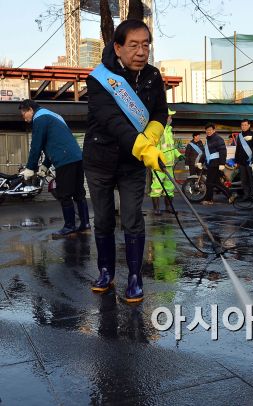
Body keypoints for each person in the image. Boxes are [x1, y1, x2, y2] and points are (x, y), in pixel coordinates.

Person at [83, 19, 168, 303]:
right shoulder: (99, 78)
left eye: (146, 45)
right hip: (101, 160)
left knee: (133, 219)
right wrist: (141, 146)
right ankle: (106, 271)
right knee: (104, 219)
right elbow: (111, 121)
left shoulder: (154, 76)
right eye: (133, 45)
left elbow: (159, 113)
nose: (141, 51)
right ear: (118, 47)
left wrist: (153, 135)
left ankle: (134, 276)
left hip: (132, 164)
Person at [19, 100, 90, 238]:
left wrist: (30, 168)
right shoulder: (54, 116)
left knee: (64, 194)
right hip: (76, 157)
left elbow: (36, 145)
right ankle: (85, 224)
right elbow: (54, 143)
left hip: (64, 160)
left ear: (30, 110)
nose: (24, 118)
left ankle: (69, 226)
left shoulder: (39, 118)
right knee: (79, 193)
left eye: (24, 114)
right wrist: (45, 165)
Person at [149, 109, 183, 215]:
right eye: (169, 116)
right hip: (159, 165)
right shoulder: (158, 131)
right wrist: (157, 161)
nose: (171, 119)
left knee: (170, 187)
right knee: (157, 186)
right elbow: (153, 148)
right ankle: (156, 209)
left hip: (169, 165)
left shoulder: (169, 131)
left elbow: (171, 147)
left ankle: (169, 207)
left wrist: (178, 155)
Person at [196, 123, 229, 205]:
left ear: (214, 130)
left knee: (209, 182)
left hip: (216, 163)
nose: (208, 131)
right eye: (207, 130)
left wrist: (222, 163)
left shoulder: (218, 139)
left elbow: (223, 151)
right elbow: (205, 153)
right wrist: (200, 161)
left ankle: (209, 199)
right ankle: (231, 195)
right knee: (216, 182)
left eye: (210, 130)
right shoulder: (208, 140)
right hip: (210, 163)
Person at [235, 118, 253, 202]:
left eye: (246, 125)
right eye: (242, 125)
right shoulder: (239, 136)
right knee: (244, 180)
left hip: (250, 161)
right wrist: (236, 161)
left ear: (249, 125)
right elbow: (238, 148)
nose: (244, 127)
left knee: (252, 179)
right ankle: (246, 195)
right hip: (241, 161)